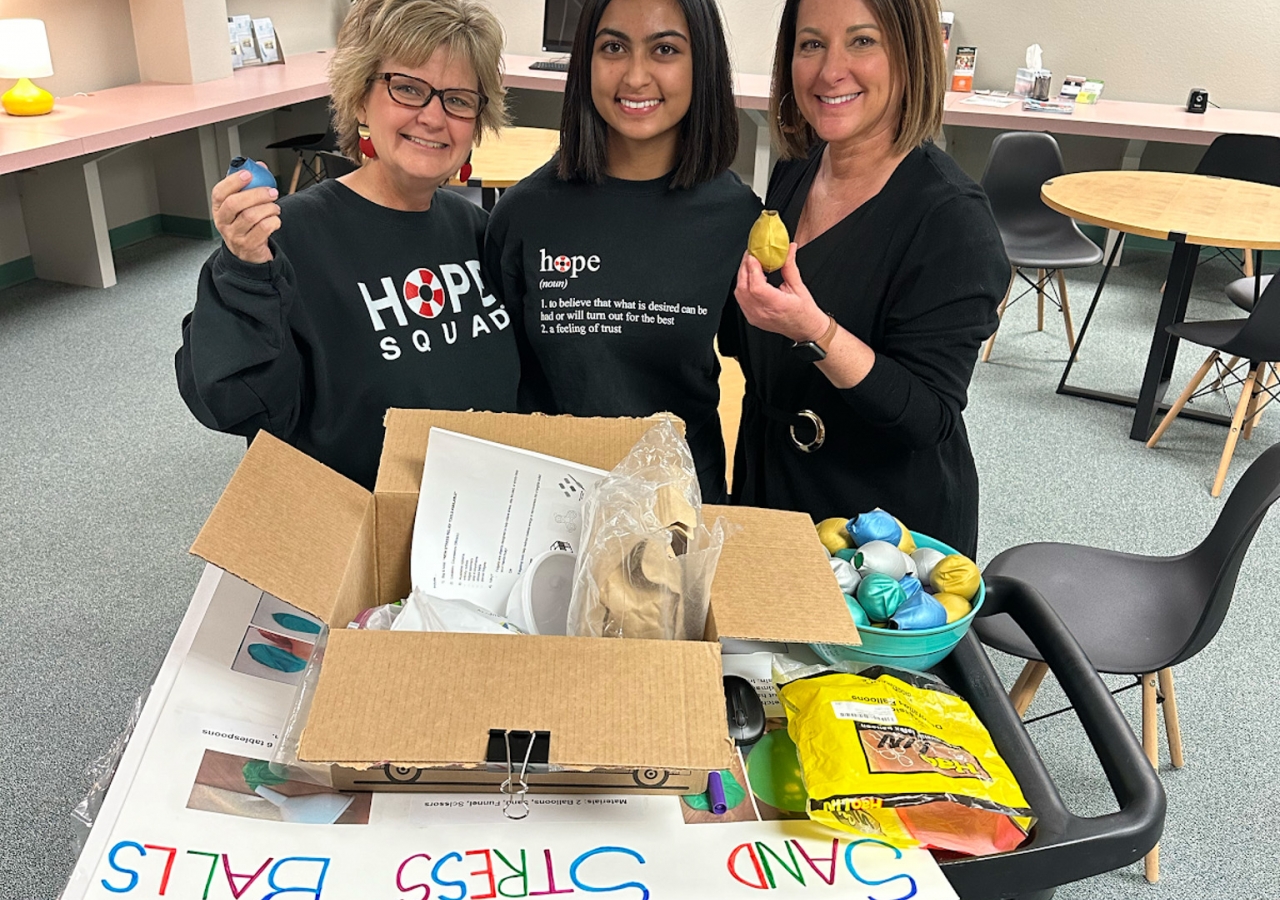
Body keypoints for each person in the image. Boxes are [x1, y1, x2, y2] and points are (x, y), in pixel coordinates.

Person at [176, 0, 518, 490]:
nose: (433, 117)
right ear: (360, 98)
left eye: (459, 100)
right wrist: (245, 270)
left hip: (484, 510)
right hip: (359, 526)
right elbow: (232, 404)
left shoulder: (477, 230)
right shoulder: (283, 240)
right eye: (408, 89)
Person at [725, 0, 1008, 556]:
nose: (830, 71)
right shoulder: (797, 166)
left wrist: (817, 333)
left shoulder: (951, 220)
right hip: (772, 483)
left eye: (862, 42)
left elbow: (928, 417)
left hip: (880, 530)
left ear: (911, 56)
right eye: (811, 44)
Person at [484, 0, 761, 503]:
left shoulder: (736, 218)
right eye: (613, 47)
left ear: (702, 63)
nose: (635, 76)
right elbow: (494, 381)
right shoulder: (525, 214)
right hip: (546, 507)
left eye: (665, 49)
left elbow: (771, 376)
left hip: (676, 509)